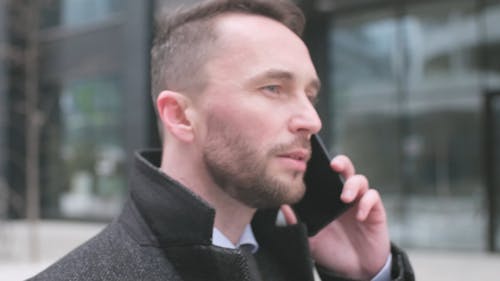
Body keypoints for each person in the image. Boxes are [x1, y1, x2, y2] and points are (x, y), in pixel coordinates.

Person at [30, 0, 414, 280]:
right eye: (273, 88)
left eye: (309, 96)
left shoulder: (292, 263)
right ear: (180, 116)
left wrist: (368, 275)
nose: (312, 120)